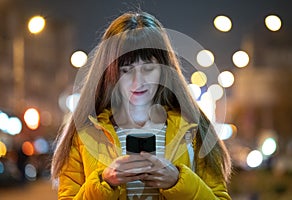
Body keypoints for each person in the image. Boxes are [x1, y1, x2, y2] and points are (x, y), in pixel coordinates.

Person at [51, 11, 232, 200]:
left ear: (164, 69)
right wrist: (105, 182)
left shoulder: (194, 129)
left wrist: (179, 182)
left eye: (148, 68)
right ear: (110, 72)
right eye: (126, 70)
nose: (138, 82)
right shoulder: (84, 134)